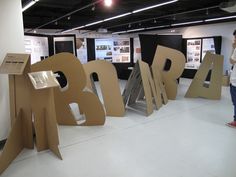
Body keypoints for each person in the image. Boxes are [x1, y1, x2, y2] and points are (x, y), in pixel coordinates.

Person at [227, 29, 236, 127]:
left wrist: (233, 48)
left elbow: (231, 61)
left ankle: (235, 121)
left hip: (235, 81)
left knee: (235, 102)